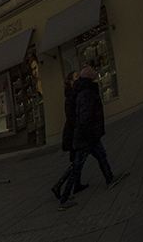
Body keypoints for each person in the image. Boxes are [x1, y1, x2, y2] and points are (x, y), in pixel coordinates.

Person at [58, 65, 128, 210]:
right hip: (86, 137)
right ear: (89, 76)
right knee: (77, 167)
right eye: (93, 72)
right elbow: (84, 117)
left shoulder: (85, 90)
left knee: (102, 156)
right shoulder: (85, 92)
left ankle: (110, 178)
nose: (95, 73)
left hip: (89, 135)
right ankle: (64, 199)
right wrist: (88, 134)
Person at [52, 71, 88, 200]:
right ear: (72, 82)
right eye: (76, 77)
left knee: (78, 159)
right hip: (74, 133)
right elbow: (72, 117)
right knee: (77, 160)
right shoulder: (71, 97)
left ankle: (75, 184)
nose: (78, 79)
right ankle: (60, 186)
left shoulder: (74, 94)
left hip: (76, 132)